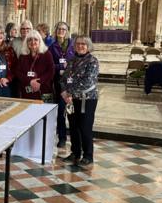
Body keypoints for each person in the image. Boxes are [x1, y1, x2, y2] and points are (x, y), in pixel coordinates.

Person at [61, 35, 99, 167]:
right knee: (73, 126)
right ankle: (75, 153)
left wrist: (70, 92)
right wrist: (64, 92)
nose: (80, 46)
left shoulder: (92, 61)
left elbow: (87, 81)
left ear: (88, 46)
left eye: (83, 44)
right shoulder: (71, 61)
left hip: (86, 99)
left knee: (85, 127)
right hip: (71, 100)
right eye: (78, 44)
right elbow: (64, 78)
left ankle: (88, 155)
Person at [49, 21, 75, 148]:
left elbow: (76, 62)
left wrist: (68, 69)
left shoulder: (73, 45)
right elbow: (49, 66)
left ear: (67, 31)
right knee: (60, 112)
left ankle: (75, 140)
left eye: (64, 29)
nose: (61, 31)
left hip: (71, 84)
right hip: (58, 84)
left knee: (72, 113)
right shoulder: (52, 47)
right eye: (59, 29)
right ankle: (62, 137)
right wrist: (59, 67)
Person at [15, 30, 55, 102]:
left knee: (44, 112)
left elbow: (51, 71)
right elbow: (18, 72)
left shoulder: (47, 54)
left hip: (44, 90)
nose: (33, 42)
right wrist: (30, 81)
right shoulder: (23, 55)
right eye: (30, 40)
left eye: (36, 39)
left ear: (40, 41)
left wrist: (39, 81)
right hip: (27, 92)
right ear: (26, 43)